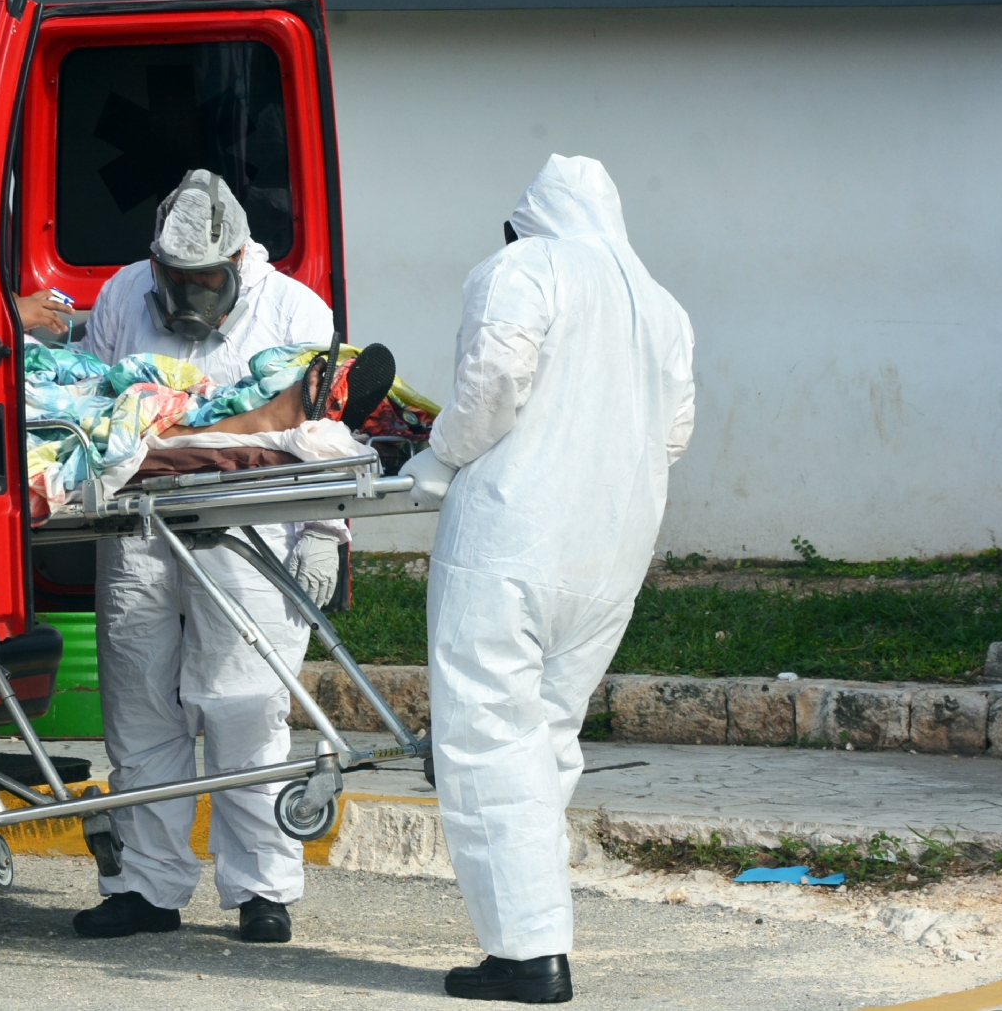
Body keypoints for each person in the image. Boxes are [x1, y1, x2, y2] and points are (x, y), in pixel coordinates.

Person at [402, 154, 695, 1002]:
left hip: (510, 541)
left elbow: (493, 384)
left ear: (530, 218)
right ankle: (537, 936)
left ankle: (528, 954)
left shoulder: (521, 267)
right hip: (610, 555)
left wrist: (441, 453)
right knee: (545, 741)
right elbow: (673, 434)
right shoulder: (664, 308)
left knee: (486, 737)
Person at [36, 169, 343, 943]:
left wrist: (327, 535)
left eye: (204, 281)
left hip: (248, 531)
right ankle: (148, 885)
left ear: (238, 262)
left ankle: (262, 890)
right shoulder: (121, 296)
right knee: (139, 706)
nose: (186, 296)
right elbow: (95, 400)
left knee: (245, 704)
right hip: (137, 530)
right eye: (175, 280)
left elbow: (324, 438)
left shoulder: (295, 310)